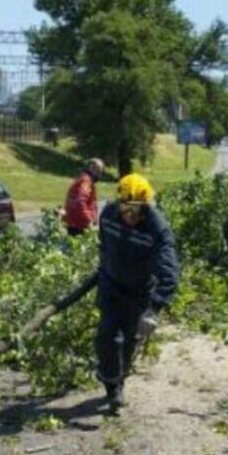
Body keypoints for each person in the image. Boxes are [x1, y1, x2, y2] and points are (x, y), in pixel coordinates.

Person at [94, 173, 179, 414]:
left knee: (130, 340)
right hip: (110, 284)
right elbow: (103, 245)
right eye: (125, 209)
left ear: (146, 206)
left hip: (140, 291)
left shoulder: (157, 228)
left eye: (136, 210)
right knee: (108, 334)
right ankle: (111, 386)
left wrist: (155, 307)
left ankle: (120, 380)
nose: (129, 215)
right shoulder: (108, 215)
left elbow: (169, 272)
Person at [63, 158, 108, 236]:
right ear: (91, 168)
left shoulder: (82, 179)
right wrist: (88, 220)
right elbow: (81, 201)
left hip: (74, 222)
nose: (99, 175)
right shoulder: (86, 181)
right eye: (98, 171)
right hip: (80, 225)